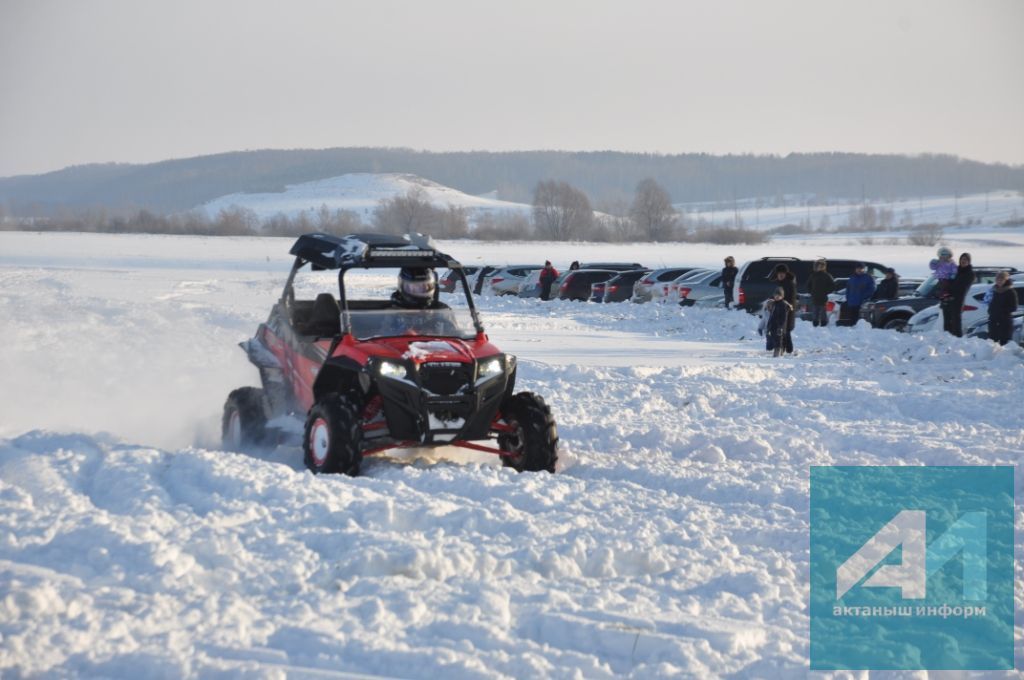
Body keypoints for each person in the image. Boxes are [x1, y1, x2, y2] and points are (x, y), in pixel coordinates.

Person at [384, 267, 458, 336]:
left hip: (435, 347)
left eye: (423, 287)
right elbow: (382, 336)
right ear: (402, 286)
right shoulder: (393, 312)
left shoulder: (442, 311)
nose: (418, 292)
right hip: (401, 347)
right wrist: (403, 332)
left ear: (431, 286)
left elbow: (456, 336)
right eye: (413, 288)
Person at [943, 252, 974, 337]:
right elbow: (948, 281)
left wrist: (951, 290)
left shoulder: (970, 274)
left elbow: (962, 288)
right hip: (947, 299)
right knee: (947, 322)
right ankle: (947, 339)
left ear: (969, 262)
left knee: (956, 322)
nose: (963, 261)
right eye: (962, 259)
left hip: (958, 300)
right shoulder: (955, 271)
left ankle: (957, 341)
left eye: (965, 260)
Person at [984, 271, 1018, 345]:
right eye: (997, 279)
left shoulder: (1010, 291)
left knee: (1005, 343)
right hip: (993, 320)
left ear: (1005, 280)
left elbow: (1014, 307)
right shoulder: (994, 290)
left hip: (1005, 321)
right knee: (992, 343)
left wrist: (1002, 311)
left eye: (1001, 279)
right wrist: (991, 311)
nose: (999, 281)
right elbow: (990, 303)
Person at [772, 264, 796, 353]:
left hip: (787, 309)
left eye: (782, 273)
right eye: (779, 273)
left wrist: (787, 306)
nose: (781, 275)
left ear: (786, 274)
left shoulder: (790, 283)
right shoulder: (778, 282)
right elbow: (774, 295)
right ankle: (782, 347)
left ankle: (789, 349)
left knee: (786, 329)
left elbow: (792, 297)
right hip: (778, 309)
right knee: (780, 329)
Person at [765, 288, 792, 357]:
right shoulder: (774, 304)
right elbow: (771, 315)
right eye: (775, 295)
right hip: (773, 325)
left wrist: (781, 327)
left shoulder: (783, 305)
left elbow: (784, 318)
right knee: (774, 339)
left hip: (780, 326)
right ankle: (780, 350)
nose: (776, 297)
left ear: (782, 296)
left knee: (778, 340)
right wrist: (769, 325)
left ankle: (777, 354)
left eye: (778, 295)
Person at [808, 259, 835, 327]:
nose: (820, 267)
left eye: (821, 266)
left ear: (824, 267)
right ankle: (815, 323)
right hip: (815, 297)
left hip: (823, 297)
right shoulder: (813, 275)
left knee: (823, 311)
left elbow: (832, 285)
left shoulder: (827, 275)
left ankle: (824, 323)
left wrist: (826, 291)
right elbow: (808, 285)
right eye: (819, 266)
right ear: (816, 267)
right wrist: (811, 292)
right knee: (815, 311)